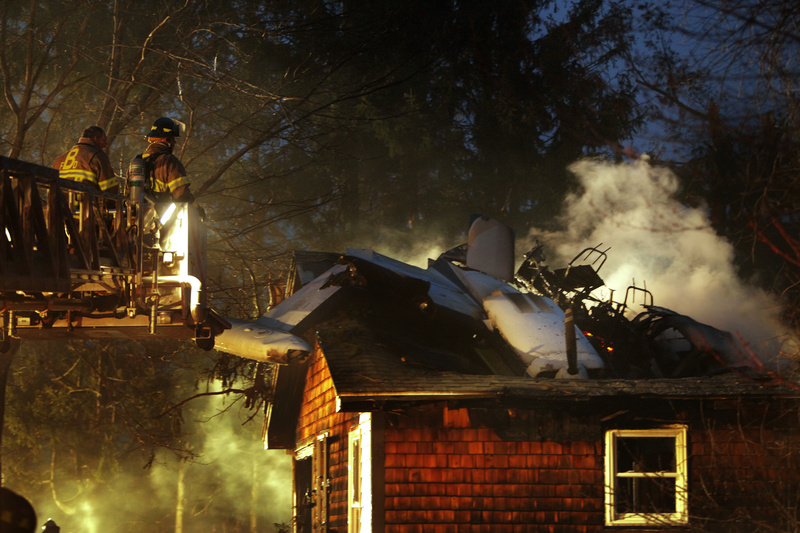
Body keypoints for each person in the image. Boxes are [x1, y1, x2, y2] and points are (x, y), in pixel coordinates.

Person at [139, 117, 194, 202]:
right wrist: (196, 208)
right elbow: (181, 193)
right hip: (162, 213)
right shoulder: (169, 161)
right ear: (167, 139)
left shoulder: (138, 160)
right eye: (173, 139)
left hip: (135, 213)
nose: (174, 142)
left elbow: (127, 194)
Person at [52, 126, 117, 193]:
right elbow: (109, 189)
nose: (105, 145)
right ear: (96, 138)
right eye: (104, 140)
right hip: (85, 202)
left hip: (60, 202)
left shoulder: (59, 160)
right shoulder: (98, 156)